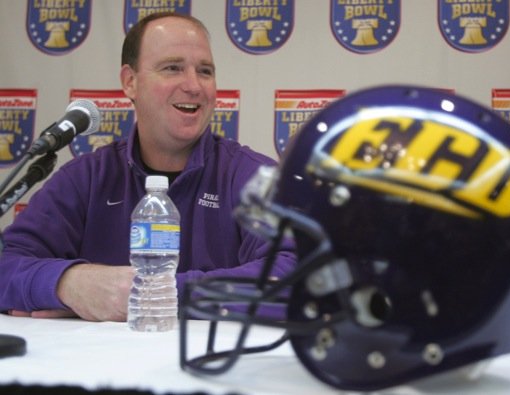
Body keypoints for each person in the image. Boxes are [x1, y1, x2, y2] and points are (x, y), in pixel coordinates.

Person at [0, 12, 296, 322]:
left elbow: (296, 274)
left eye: (205, 71)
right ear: (130, 82)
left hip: (207, 368)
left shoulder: (253, 178)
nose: (194, 85)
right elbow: (8, 263)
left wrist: (154, 293)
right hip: (102, 368)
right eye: (173, 68)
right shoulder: (86, 179)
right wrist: (69, 284)